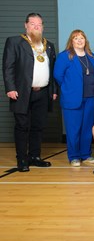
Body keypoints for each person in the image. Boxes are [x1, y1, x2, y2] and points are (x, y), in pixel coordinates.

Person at [2, 13, 57, 172]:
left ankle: (35, 156)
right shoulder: (15, 42)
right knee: (22, 126)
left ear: (43, 27)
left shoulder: (48, 45)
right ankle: (22, 159)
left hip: (43, 92)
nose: (36, 27)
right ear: (26, 25)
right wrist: (10, 87)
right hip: (21, 92)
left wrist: (53, 90)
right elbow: (8, 67)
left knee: (38, 126)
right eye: (33, 24)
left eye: (39, 24)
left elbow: (52, 70)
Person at [54, 29, 94, 167]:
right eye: (76, 38)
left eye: (82, 38)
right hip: (72, 99)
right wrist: (69, 89)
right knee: (73, 129)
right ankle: (74, 156)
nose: (79, 41)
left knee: (87, 128)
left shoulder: (91, 57)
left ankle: (85, 154)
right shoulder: (65, 56)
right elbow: (58, 76)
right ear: (71, 41)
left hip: (90, 98)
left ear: (85, 40)